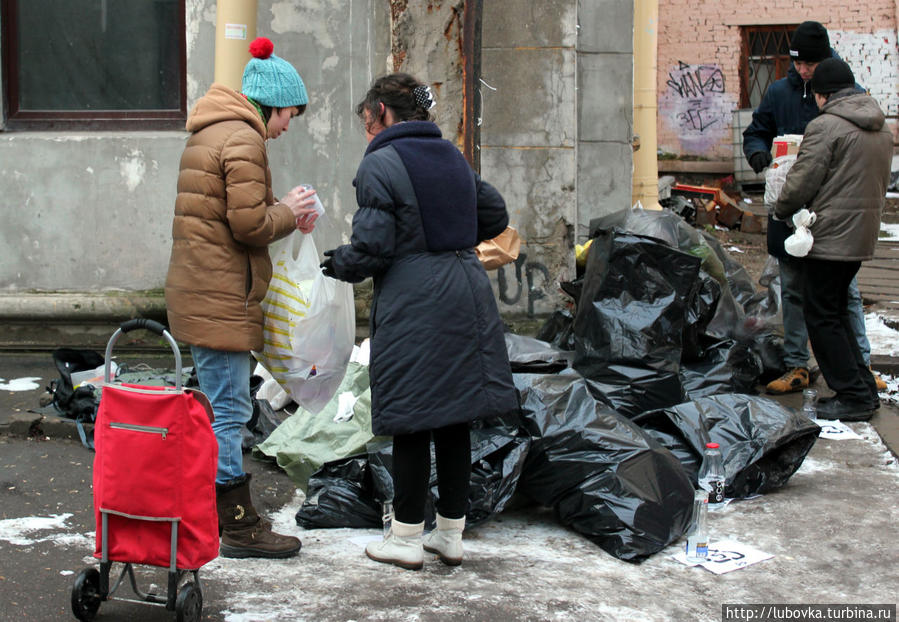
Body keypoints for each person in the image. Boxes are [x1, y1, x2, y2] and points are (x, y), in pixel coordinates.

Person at [321, 73, 518, 570]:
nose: (367, 127)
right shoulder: (450, 155)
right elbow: (494, 212)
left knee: (411, 417)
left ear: (382, 112)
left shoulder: (380, 163)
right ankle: (450, 534)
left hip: (415, 299)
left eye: (367, 117)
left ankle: (406, 537)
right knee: (454, 417)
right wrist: (448, 236)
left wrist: (336, 263)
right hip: (466, 292)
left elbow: (372, 248)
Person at [164, 37, 318, 558]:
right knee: (229, 411)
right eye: (288, 114)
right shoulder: (245, 139)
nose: (287, 125)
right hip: (221, 298)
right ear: (269, 104)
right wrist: (289, 212)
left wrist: (283, 208)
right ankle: (238, 526)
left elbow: (227, 212)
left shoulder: (214, 131)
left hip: (202, 290)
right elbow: (249, 224)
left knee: (218, 407)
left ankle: (214, 514)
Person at [742, 21, 885, 394]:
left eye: (811, 64)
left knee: (842, 297)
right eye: (799, 64)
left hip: (829, 214)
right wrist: (759, 155)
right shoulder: (778, 93)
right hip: (791, 214)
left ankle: (860, 367)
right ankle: (797, 365)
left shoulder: (845, 95)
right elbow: (756, 130)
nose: (804, 71)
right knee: (792, 289)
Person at [774, 58, 892, 421]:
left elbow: (803, 181)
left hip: (830, 236)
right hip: (859, 234)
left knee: (822, 317)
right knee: (837, 312)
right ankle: (863, 389)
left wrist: (781, 206)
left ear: (823, 95)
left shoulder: (826, 126)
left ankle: (854, 395)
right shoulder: (879, 125)